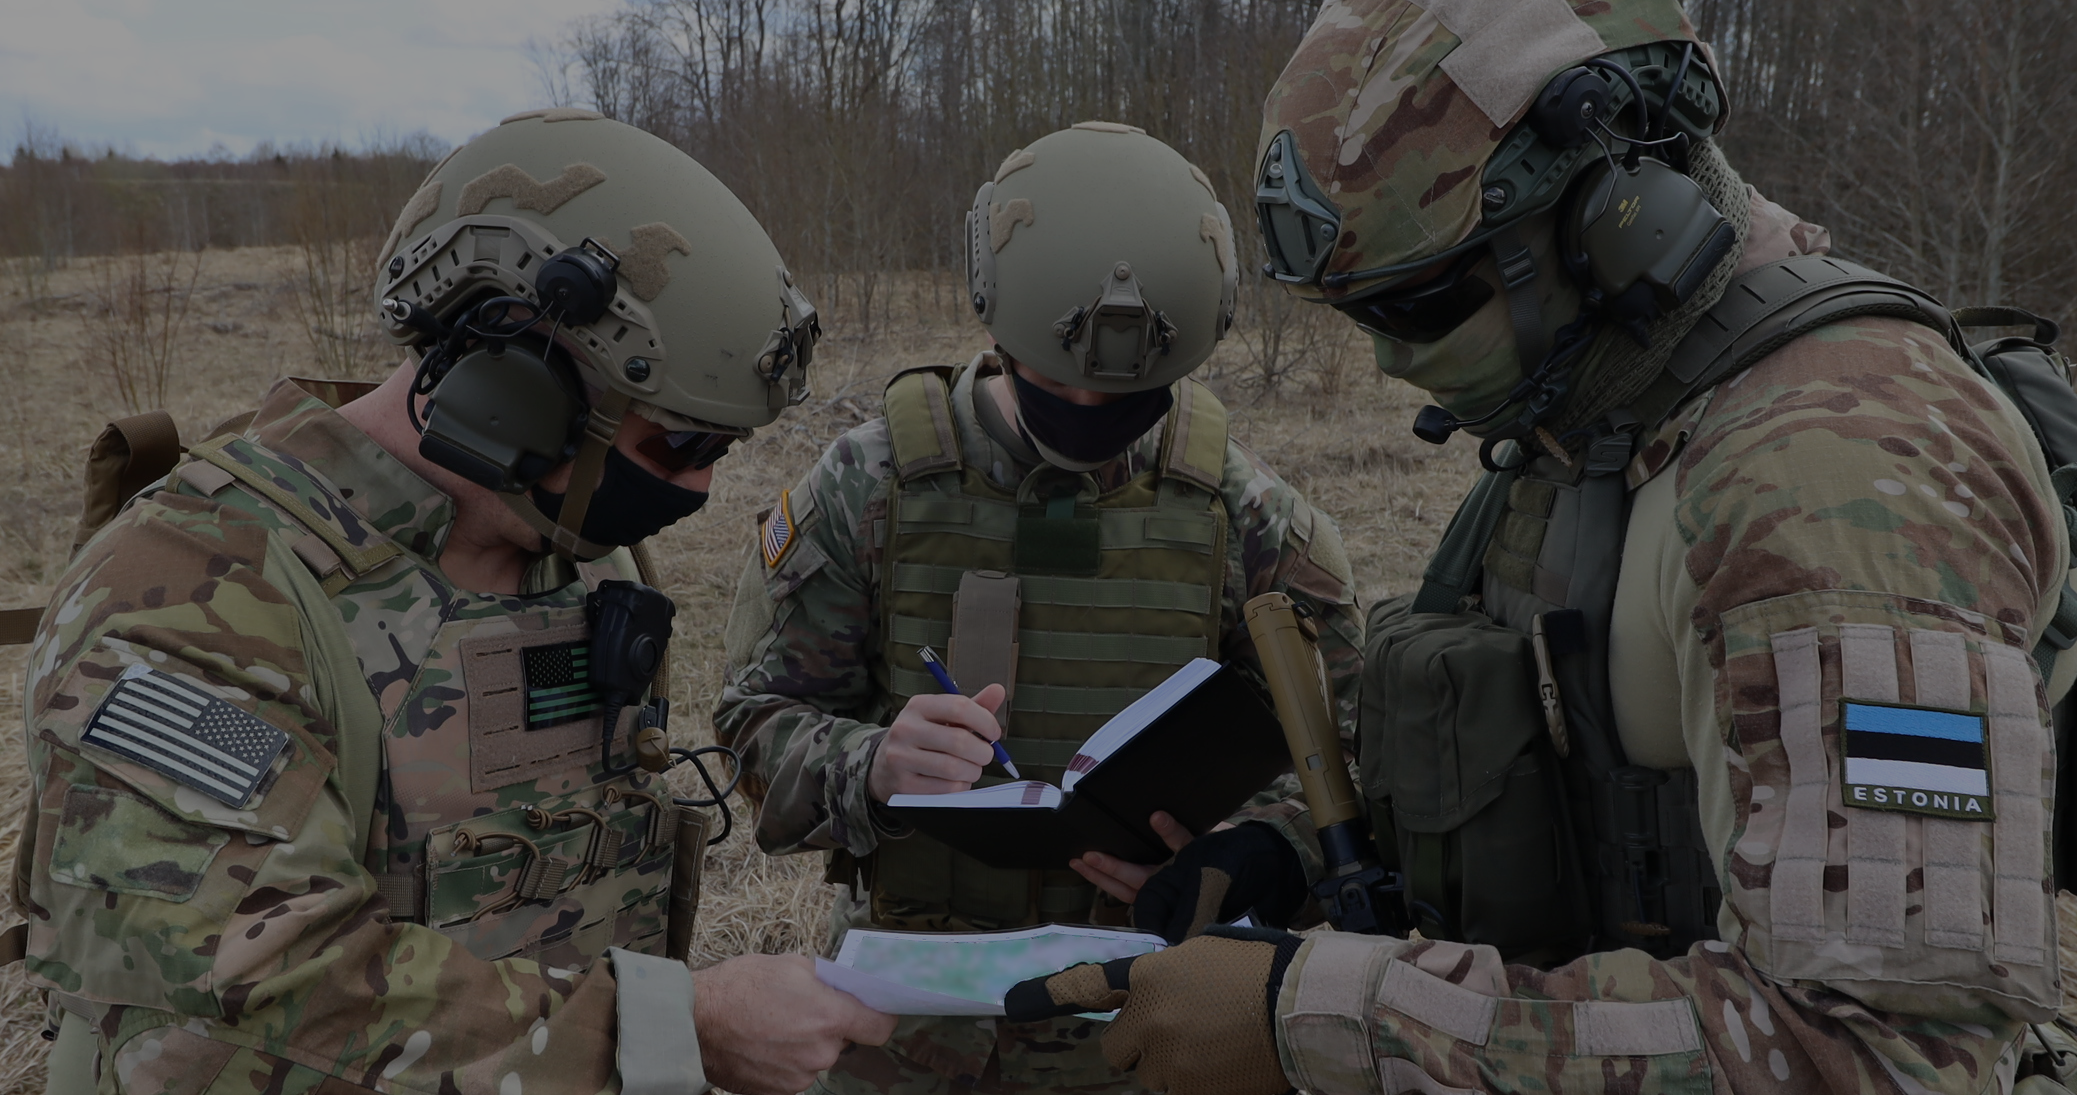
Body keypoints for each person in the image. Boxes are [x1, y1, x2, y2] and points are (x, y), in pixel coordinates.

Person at [1007, 1, 2077, 1092]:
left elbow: (1883, 1050)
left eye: (1419, 307)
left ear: (1613, 221)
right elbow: (1549, 772)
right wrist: (1287, 852)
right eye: (1359, 318)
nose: (1386, 365)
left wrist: (1319, 1019)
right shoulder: (1604, 411)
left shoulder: (1829, 475)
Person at [6, 109, 895, 1095]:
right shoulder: (186, 598)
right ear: (513, 386)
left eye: (717, 451)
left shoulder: (580, 562)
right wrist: (672, 1027)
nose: (698, 489)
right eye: (676, 445)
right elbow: (248, 983)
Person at [712, 121, 1364, 1093]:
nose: (1088, 413)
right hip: (908, 1027)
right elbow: (751, 726)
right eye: (1057, 383)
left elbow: (1348, 756)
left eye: (1128, 396)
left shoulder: (1248, 518)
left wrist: (1255, 853)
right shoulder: (869, 489)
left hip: (1154, 1027)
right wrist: (871, 764)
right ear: (998, 326)